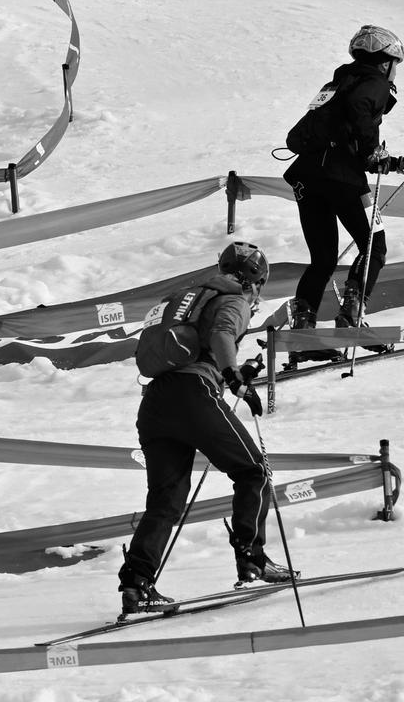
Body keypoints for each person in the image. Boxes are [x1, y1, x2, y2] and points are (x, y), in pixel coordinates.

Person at [118, 242, 294, 614]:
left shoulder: (189, 297)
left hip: (155, 403)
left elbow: (202, 346)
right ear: (254, 281)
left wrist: (231, 371)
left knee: (165, 501)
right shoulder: (234, 299)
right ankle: (252, 558)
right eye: (260, 286)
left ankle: (136, 584)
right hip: (193, 395)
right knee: (253, 471)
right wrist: (234, 379)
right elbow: (222, 334)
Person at [285, 25, 403, 343]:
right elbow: (360, 110)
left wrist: (386, 161)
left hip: (307, 175)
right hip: (342, 177)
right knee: (374, 246)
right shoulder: (374, 82)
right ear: (385, 62)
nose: (395, 73)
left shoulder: (338, 83)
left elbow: (337, 128)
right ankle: (350, 317)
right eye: (396, 65)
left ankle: (302, 330)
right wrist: (373, 152)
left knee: (323, 258)